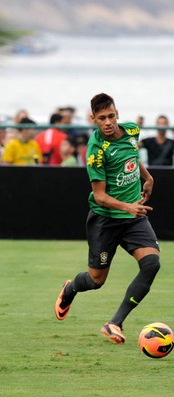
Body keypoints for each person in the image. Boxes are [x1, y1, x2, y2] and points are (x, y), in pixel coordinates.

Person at [55, 93, 160, 344]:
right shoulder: (96, 150)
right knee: (95, 280)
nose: (108, 122)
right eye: (102, 118)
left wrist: (148, 178)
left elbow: (133, 157)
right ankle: (70, 288)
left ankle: (115, 322)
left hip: (133, 218)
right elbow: (99, 196)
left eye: (111, 116)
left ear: (117, 114)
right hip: (106, 220)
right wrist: (128, 207)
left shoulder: (132, 131)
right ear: (93, 119)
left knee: (152, 264)